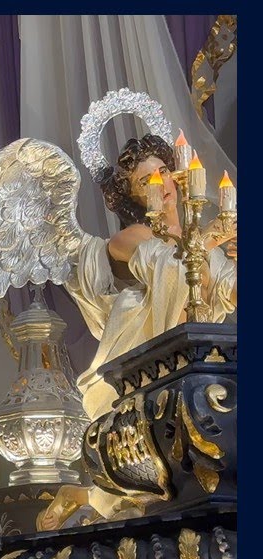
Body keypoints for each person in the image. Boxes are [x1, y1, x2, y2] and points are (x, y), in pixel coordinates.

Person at [65, 134, 238, 420]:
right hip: (148, 376)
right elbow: (171, 270)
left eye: (164, 172)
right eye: (146, 182)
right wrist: (211, 237)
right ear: (133, 196)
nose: (161, 183)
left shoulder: (205, 244)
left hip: (205, 367)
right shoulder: (129, 238)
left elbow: (231, 292)